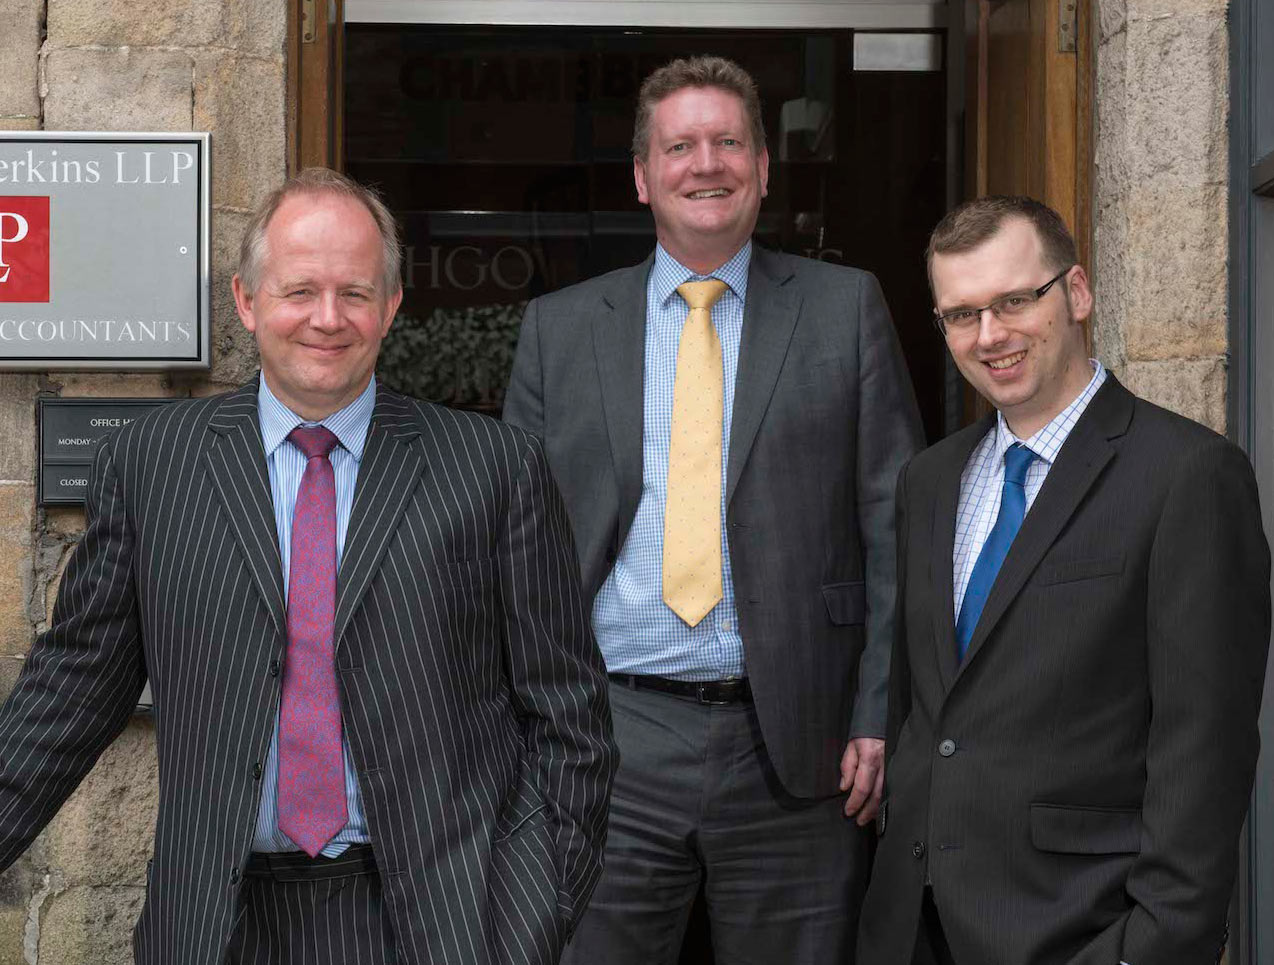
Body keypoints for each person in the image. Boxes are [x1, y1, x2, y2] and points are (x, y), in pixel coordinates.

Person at [0, 167, 616, 965]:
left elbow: (568, 712)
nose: (328, 319)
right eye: (300, 291)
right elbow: (76, 684)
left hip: (439, 922)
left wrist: (535, 906)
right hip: (219, 922)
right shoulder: (153, 464)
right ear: (247, 300)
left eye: (355, 293)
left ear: (392, 305)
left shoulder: (494, 469)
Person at [503, 55, 922, 963]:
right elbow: (515, 548)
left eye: (729, 142)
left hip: (802, 752)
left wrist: (878, 710)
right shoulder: (560, 329)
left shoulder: (844, 309)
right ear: (643, 177)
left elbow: (897, 526)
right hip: (610, 741)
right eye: (681, 146)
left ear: (765, 168)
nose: (707, 163)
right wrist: (528, 728)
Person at [857, 195, 1271, 965]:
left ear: (1076, 292)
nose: (991, 335)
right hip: (912, 929)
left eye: (1015, 300)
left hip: (1081, 931)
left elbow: (1204, 748)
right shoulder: (931, 479)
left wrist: (1150, 947)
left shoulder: (1187, 476)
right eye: (961, 314)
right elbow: (928, 707)